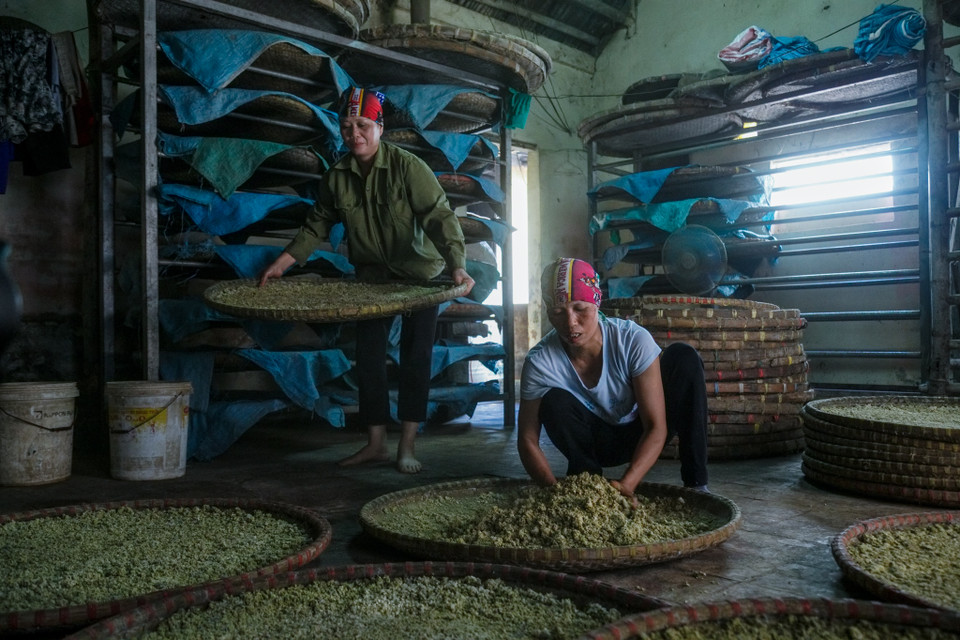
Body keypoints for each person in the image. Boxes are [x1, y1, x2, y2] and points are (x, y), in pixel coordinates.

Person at [259, 87, 475, 474]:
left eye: (362, 125)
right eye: (345, 126)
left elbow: (439, 217)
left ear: (380, 126)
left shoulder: (408, 167)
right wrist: (283, 263)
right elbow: (316, 226)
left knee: (416, 357)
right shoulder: (336, 176)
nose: (353, 134)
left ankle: (406, 445)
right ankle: (375, 443)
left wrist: (456, 264)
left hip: (419, 279)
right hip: (372, 280)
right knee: (370, 358)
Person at [517, 258, 709, 499]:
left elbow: (655, 428)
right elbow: (527, 439)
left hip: (640, 433)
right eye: (557, 312)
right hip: (594, 442)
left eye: (580, 309)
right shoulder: (540, 361)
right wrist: (553, 492)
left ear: (597, 304)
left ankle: (697, 484)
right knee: (554, 400)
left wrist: (627, 485)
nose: (570, 323)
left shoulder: (631, 340)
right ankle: (586, 485)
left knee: (684, 357)